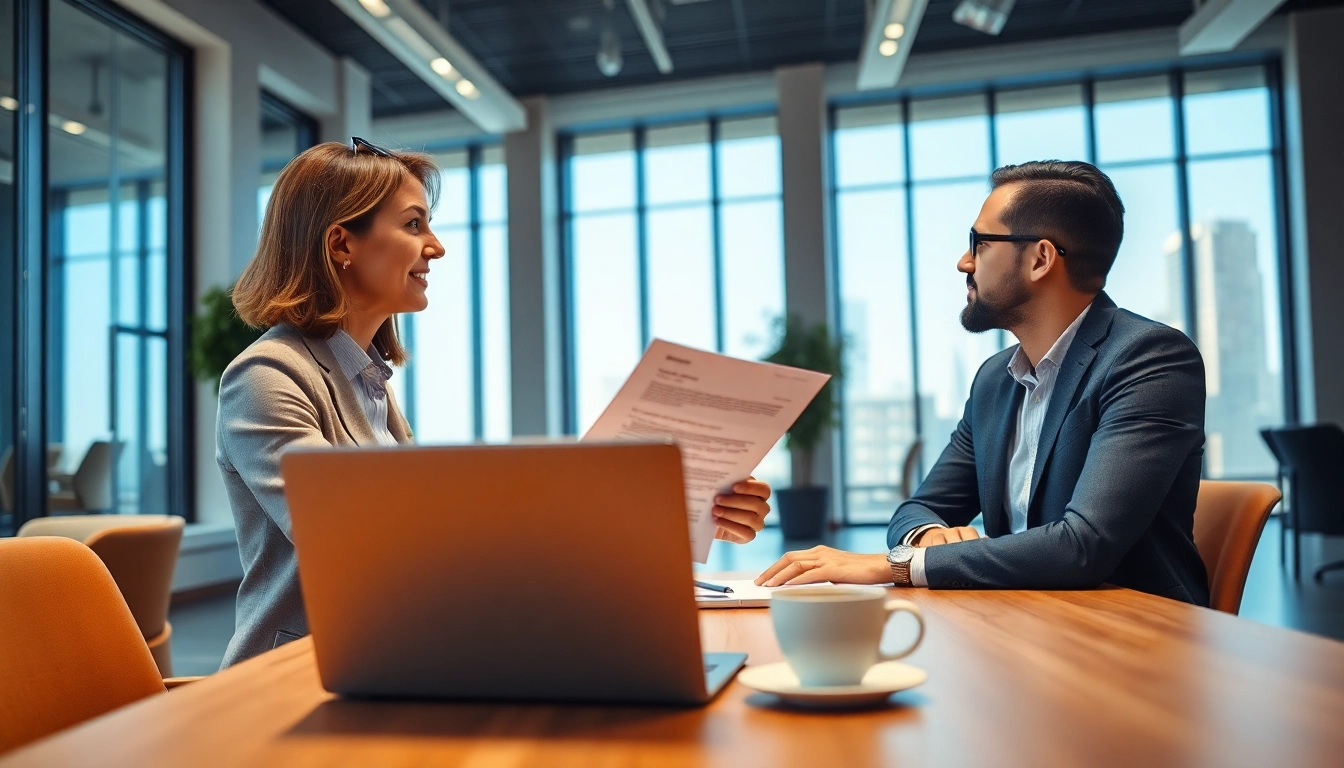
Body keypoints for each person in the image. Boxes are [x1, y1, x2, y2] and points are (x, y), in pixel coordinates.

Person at [218, 139, 773, 668]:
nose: (436, 246)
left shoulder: (368, 381)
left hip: (388, 660)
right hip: (293, 679)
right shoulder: (268, 377)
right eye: (413, 224)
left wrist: (675, 511)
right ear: (342, 245)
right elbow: (359, 541)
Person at [757, 160, 1210, 605]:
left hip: (1132, 631)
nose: (964, 262)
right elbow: (918, 510)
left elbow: (1083, 545)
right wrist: (928, 536)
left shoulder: (1149, 359)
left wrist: (900, 565)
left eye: (980, 243)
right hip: (1022, 621)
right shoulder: (995, 379)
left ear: (1040, 259)